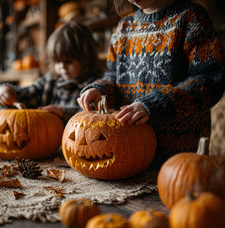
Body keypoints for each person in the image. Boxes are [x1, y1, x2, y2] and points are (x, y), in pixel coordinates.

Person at [77, 0, 225, 168]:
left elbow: (210, 80)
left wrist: (155, 105)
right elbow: (113, 76)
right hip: (127, 150)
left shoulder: (191, 18)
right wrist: (100, 89)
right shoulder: (124, 27)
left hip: (178, 157)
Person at [0, 21, 103, 124]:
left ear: (86, 59)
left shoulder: (95, 87)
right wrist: (6, 91)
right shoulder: (49, 82)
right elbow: (27, 95)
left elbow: (92, 116)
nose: (62, 67)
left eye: (68, 61)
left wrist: (63, 113)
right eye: (57, 61)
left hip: (76, 141)